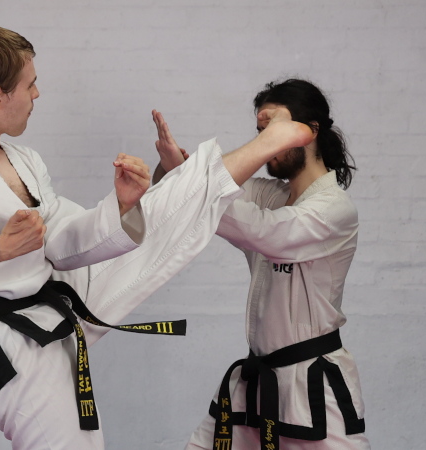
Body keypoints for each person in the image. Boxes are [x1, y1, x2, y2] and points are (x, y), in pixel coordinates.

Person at [0, 24, 313, 450]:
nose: (37, 94)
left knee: (155, 216)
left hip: (50, 306)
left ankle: (250, 153)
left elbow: (64, 244)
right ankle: (261, 146)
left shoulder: (23, 160)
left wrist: (120, 206)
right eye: (29, 85)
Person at [152, 79, 369, 450]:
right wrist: (177, 172)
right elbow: (203, 195)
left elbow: (261, 232)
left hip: (313, 387)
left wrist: (194, 184)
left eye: (274, 129)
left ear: (311, 130)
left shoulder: (334, 209)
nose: (265, 140)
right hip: (254, 382)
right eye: (260, 131)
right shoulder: (271, 194)